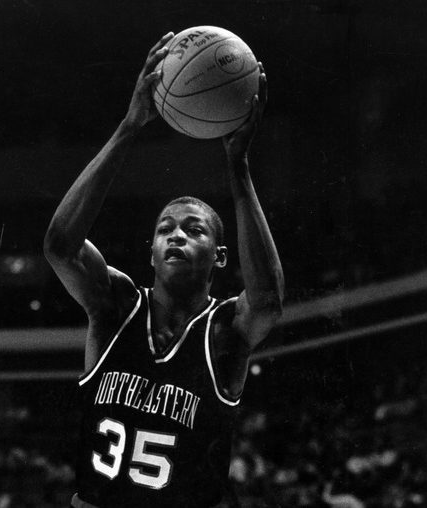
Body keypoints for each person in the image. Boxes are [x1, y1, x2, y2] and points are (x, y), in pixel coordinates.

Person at [44, 32, 284, 508]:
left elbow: (268, 301)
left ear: (219, 255)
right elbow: (59, 247)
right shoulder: (115, 305)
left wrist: (239, 170)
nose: (176, 235)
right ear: (150, 251)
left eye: (194, 229)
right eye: (165, 229)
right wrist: (129, 127)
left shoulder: (227, 332)